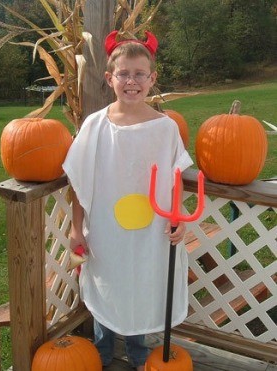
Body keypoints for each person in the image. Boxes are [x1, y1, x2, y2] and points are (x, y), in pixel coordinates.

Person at [63, 30, 193, 370]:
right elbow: (79, 182)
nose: (131, 81)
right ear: (110, 78)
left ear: (152, 78)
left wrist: (177, 217)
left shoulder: (165, 129)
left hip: (150, 231)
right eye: (124, 73)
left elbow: (175, 177)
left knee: (141, 283)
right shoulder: (95, 126)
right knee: (109, 282)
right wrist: (77, 229)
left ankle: (137, 355)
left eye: (139, 74)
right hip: (107, 229)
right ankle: (102, 355)